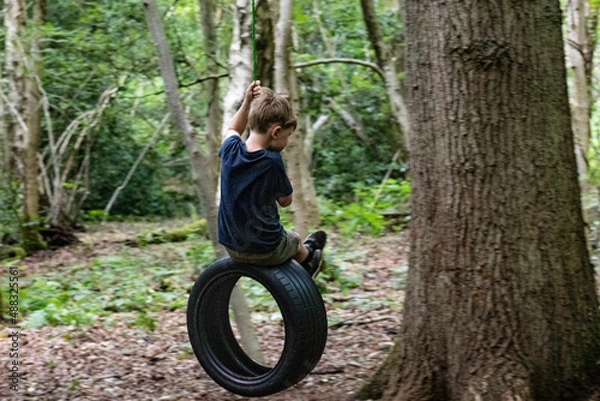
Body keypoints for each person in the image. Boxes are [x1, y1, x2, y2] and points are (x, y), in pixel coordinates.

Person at [217, 81, 327, 277]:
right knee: (294, 239)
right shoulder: (272, 160)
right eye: (287, 136)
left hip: (232, 247)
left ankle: (306, 251)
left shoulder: (230, 149)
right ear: (275, 132)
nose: (287, 141)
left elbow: (233, 128)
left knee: (286, 238)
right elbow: (286, 201)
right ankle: (308, 259)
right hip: (265, 250)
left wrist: (247, 101)